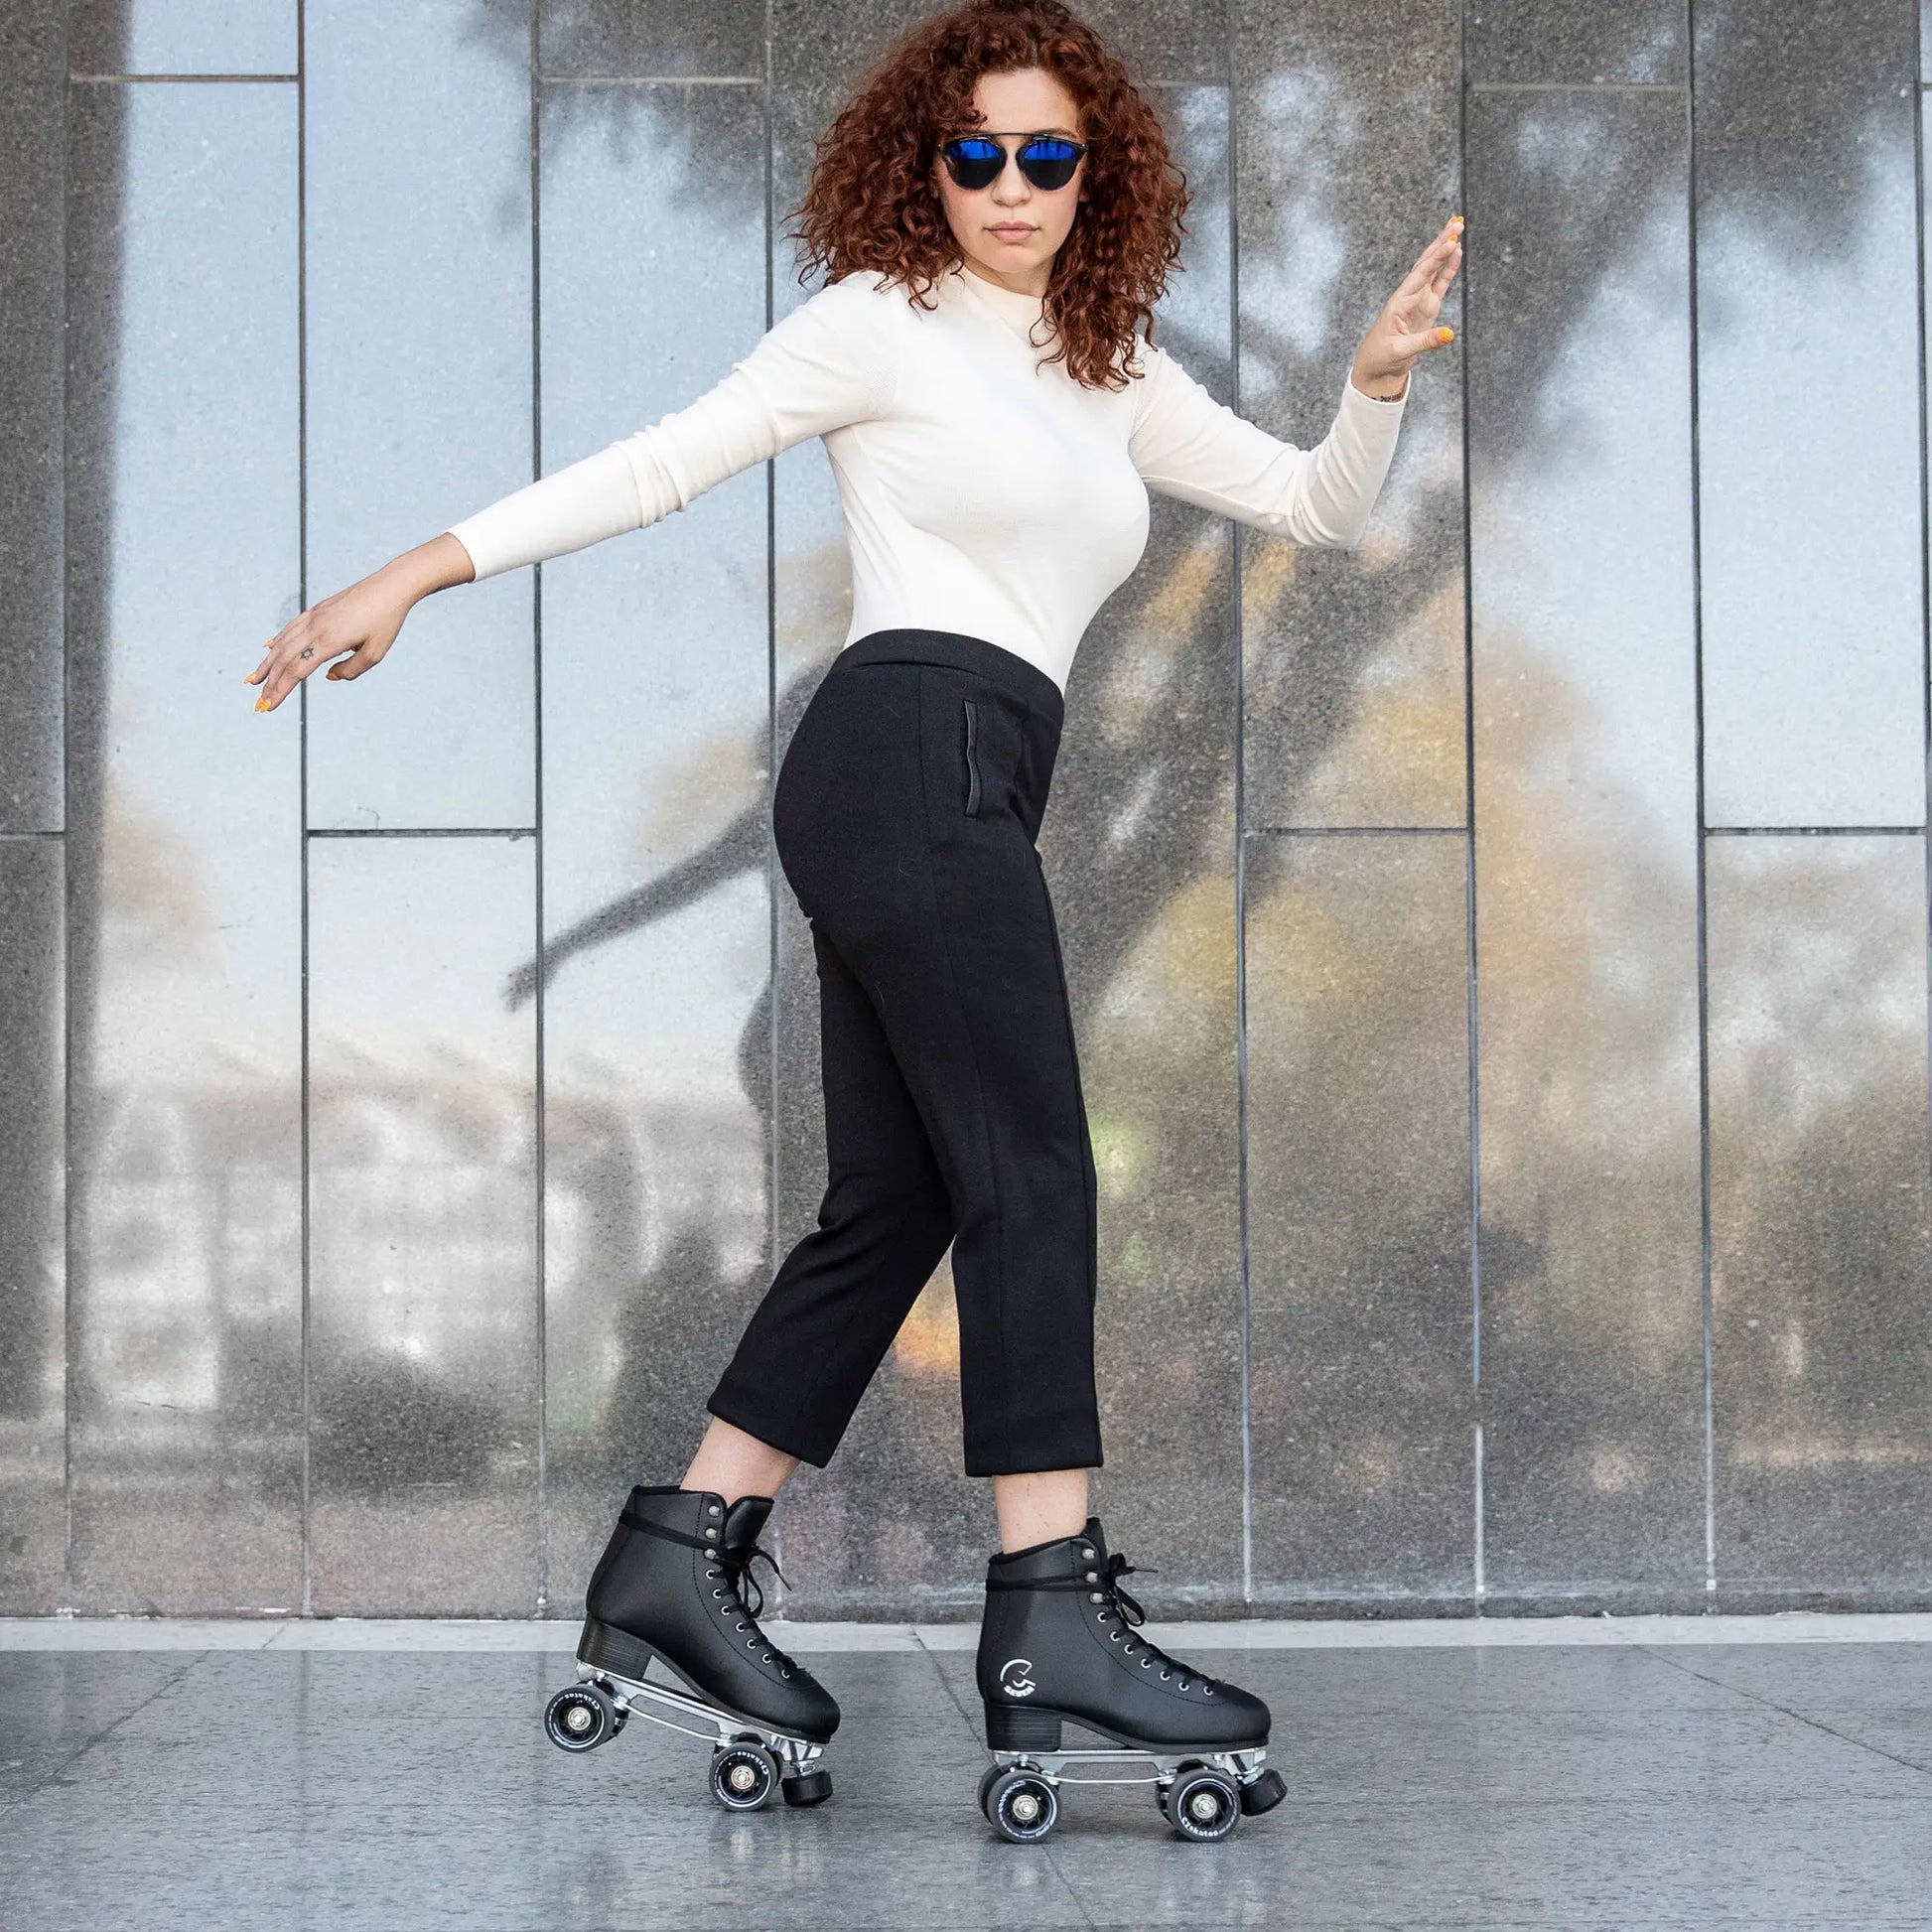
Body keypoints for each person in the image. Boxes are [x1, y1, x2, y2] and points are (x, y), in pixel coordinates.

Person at [246, 0, 1460, 1805]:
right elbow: (665, 460)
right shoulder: (876, 320)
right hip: (899, 742)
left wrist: (1369, 387)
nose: (1012, 188)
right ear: (926, 163)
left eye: (1048, 155)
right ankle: (1046, 1607)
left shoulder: (1106, 357)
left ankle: (678, 1550)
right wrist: (417, 570)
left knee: (893, 1199)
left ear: (1092, 168)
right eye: (976, 153)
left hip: (974, 774)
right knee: (1034, 1163)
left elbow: (1300, 504)